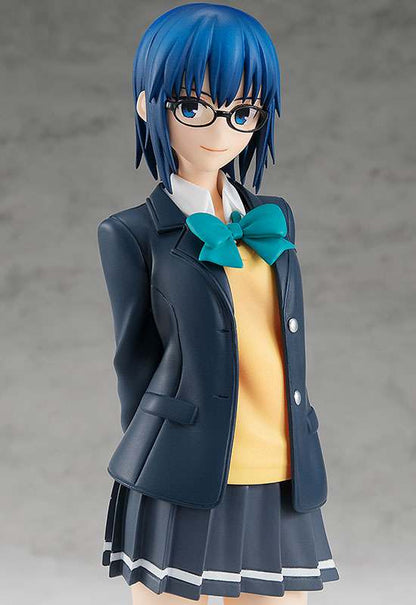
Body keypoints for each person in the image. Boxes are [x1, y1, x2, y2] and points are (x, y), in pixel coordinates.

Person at [97, 4, 340, 604]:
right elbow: (134, 359)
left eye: (243, 112)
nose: (222, 131)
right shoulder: (132, 233)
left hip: (279, 454)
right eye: (192, 106)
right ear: (147, 105)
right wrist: (159, 447)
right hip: (185, 458)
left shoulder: (273, 218)